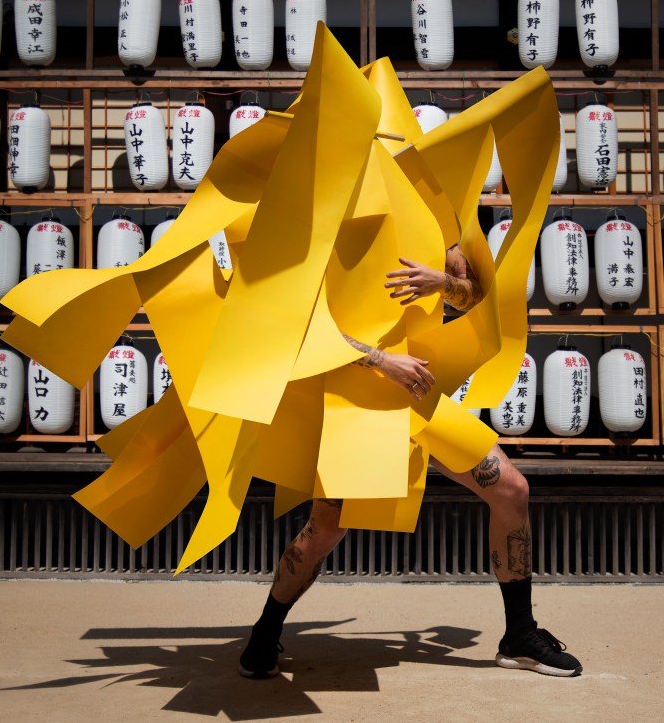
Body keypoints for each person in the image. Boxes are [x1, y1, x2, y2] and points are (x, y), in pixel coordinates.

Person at [238, 245, 583, 679]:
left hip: (421, 399)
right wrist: (381, 360)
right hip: (356, 402)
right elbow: (295, 322)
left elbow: (478, 302)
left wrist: (445, 284)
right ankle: (265, 633)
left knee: (511, 489)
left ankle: (520, 634)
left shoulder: (439, 223)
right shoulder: (331, 214)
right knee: (326, 526)